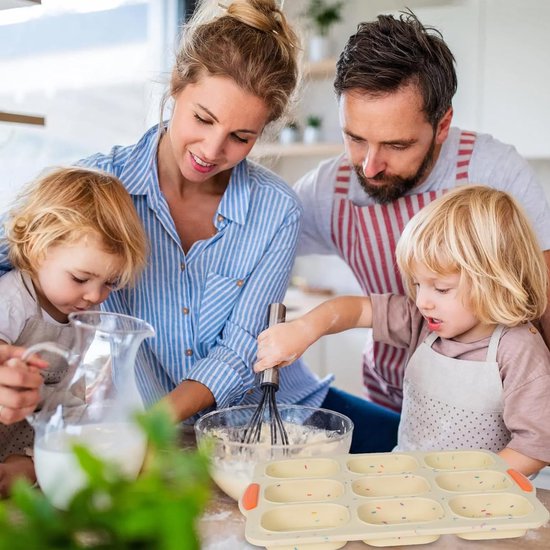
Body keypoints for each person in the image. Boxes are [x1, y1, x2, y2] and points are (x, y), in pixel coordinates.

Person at [1, 0, 331, 426]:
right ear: (177, 84)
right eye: (203, 118)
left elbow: (241, 348)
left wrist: (149, 429)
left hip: (259, 422)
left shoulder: (276, 211)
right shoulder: (98, 187)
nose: (212, 151)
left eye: (241, 137)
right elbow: (17, 249)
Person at [294, 11, 550, 421]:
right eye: (355, 138)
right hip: (392, 399)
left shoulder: (493, 171)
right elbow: (258, 247)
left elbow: (544, 296)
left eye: (396, 145)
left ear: (442, 124)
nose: (370, 166)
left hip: (490, 413)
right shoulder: (328, 187)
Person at [256, 186, 550, 476]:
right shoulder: (421, 322)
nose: (423, 301)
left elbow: (534, 448)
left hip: (477, 501)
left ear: (495, 281)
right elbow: (356, 310)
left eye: (441, 288)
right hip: (408, 483)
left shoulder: (517, 350)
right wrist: (305, 329)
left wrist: (468, 483)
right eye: (418, 284)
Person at [0, 166, 147, 495]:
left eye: (110, 283)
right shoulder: (11, 300)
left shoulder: (84, 310)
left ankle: (25, 467)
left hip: (33, 432)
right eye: (81, 278)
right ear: (38, 248)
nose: (95, 296)